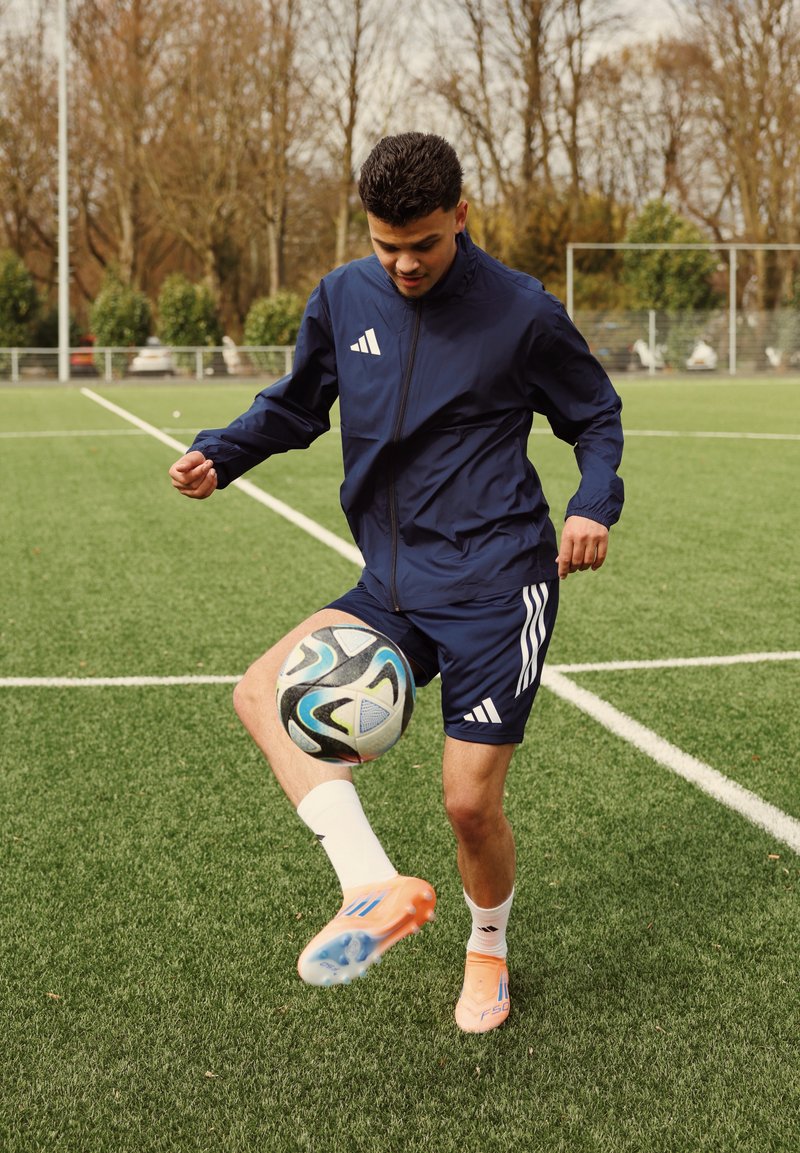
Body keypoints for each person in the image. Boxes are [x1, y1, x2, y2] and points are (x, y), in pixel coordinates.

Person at [168, 132, 623, 1033]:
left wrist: (592, 504)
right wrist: (221, 455)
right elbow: (297, 406)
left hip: (499, 586)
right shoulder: (343, 297)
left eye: (424, 242)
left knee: (467, 802)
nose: (405, 263)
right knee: (261, 691)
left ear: (461, 213)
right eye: (387, 245)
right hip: (394, 579)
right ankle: (371, 884)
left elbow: (595, 415)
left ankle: (486, 946)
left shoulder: (521, 311)